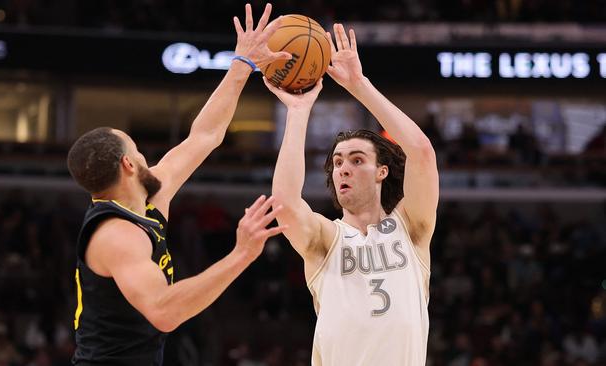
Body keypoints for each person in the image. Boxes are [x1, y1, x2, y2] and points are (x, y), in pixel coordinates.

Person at [66, 4, 290, 365]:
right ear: (128, 164)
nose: (143, 155)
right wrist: (241, 254)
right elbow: (163, 312)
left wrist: (242, 63)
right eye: (136, 149)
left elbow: (205, 136)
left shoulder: (149, 194)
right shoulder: (116, 236)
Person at [264, 23, 439, 365]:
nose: (343, 168)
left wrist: (359, 86)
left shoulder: (412, 229)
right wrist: (298, 113)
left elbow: (422, 153)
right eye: (338, 161)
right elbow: (284, 204)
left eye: (357, 160)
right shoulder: (327, 237)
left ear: (382, 172)